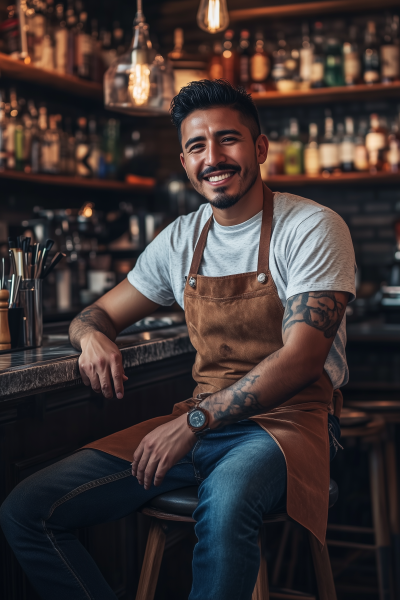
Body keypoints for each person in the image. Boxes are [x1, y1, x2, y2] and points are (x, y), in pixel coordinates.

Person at [0, 80, 355, 600]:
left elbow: (302, 358)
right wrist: (91, 338)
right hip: (200, 422)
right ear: (186, 164)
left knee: (228, 499)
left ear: (259, 148)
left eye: (228, 140)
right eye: (196, 146)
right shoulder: (180, 239)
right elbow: (94, 314)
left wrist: (195, 421)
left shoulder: (311, 226)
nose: (213, 157)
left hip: (287, 424)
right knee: (28, 510)